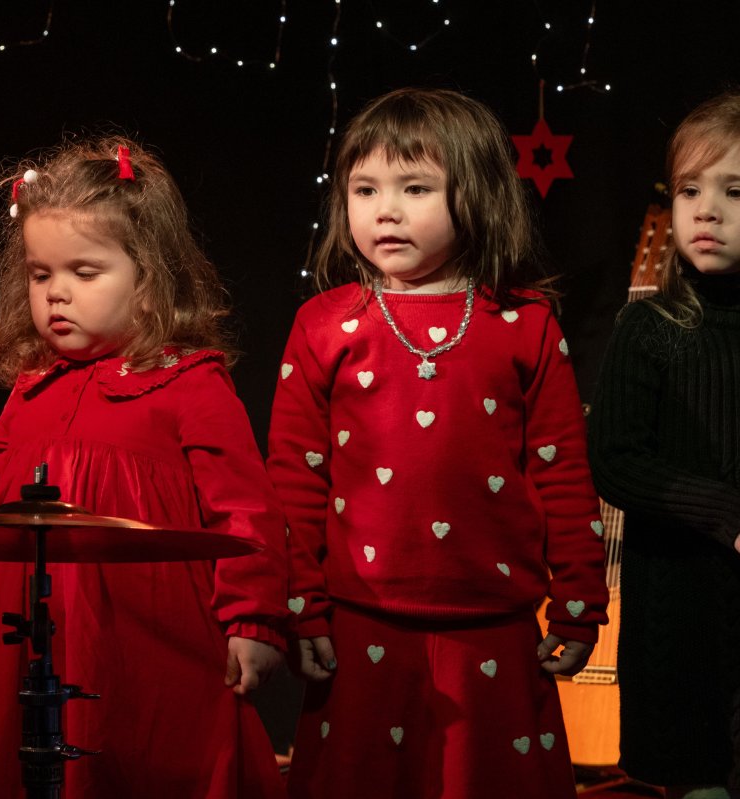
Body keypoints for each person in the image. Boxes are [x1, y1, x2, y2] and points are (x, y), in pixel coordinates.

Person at [0, 135, 292, 797]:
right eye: (40, 275)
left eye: (84, 273)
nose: (56, 294)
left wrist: (253, 619)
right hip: (13, 651)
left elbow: (244, 512)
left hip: (140, 646)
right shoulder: (28, 391)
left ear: (148, 278)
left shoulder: (189, 383)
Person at [265, 87, 610, 799]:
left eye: (414, 188)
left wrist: (579, 601)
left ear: (476, 195)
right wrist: (300, 604)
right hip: (359, 621)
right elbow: (294, 478)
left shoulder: (526, 324)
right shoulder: (323, 324)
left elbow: (562, 472)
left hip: (494, 626)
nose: (384, 210)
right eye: (364, 189)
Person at [588, 89, 740, 799]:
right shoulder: (650, 328)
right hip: (682, 611)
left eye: (735, 191)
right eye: (689, 189)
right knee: (697, 773)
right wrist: (725, 513)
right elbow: (616, 460)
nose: (706, 210)